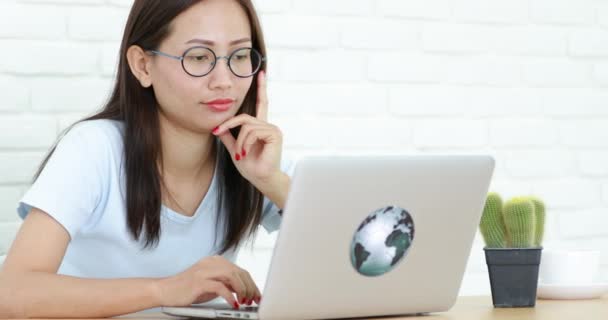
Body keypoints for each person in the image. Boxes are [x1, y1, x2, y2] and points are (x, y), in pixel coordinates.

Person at [0, 0, 295, 318]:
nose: (224, 80)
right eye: (198, 57)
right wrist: (165, 289)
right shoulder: (95, 149)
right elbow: (12, 295)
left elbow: (353, 262)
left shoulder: (254, 158)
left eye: (239, 56)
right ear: (142, 65)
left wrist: (271, 181)